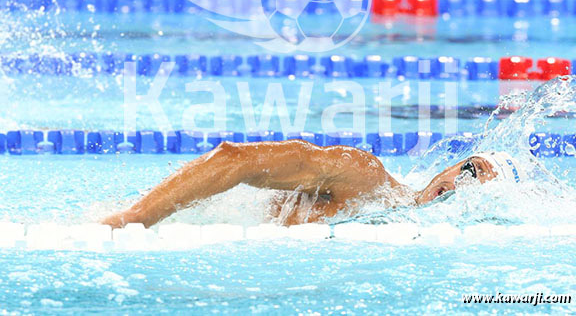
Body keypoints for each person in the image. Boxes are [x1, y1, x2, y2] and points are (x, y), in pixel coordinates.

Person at [101, 140, 523, 229]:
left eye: (482, 183)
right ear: (449, 167)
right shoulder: (365, 177)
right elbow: (237, 159)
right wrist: (135, 219)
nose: (461, 185)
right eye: (469, 169)